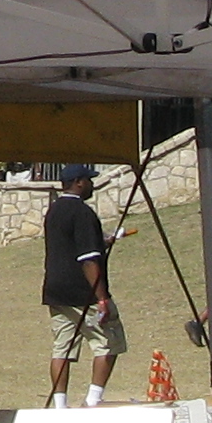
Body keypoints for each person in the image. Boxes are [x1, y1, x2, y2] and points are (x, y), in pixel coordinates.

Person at [41, 164, 121, 405]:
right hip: (82, 291)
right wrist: (101, 298)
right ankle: (93, 400)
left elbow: (69, 245)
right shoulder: (83, 213)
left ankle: (60, 405)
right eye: (89, 180)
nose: (92, 185)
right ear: (78, 182)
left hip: (56, 290)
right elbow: (87, 259)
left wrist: (101, 242)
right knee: (108, 343)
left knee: (62, 348)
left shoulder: (54, 209)